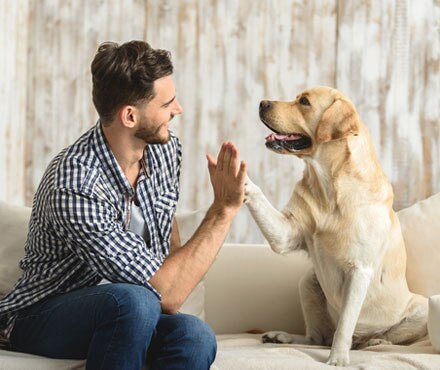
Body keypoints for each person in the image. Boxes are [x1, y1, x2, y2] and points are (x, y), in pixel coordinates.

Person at [0, 40, 246, 370]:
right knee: (134, 300)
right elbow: (168, 294)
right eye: (167, 103)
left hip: (130, 312)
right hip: (41, 314)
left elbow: (167, 237)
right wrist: (224, 209)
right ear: (130, 116)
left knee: (194, 335)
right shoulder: (75, 182)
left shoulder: (164, 150)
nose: (178, 109)